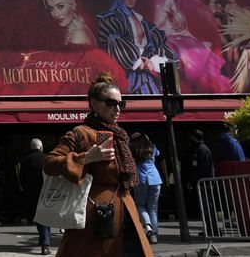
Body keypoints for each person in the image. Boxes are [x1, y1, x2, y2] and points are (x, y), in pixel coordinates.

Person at [44, 72, 152, 257]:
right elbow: (50, 163)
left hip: (126, 211)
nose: (117, 108)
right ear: (94, 103)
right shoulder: (80, 133)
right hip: (96, 216)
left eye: (121, 104)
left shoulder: (120, 135)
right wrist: (86, 158)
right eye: (111, 103)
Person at [96, 0, 174, 95]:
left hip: (146, 77)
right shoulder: (111, 19)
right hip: (123, 77)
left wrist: (152, 62)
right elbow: (113, 44)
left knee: (153, 108)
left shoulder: (143, 22)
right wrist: (138, 63)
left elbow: (158, 45)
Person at [19, 138, 52, 255]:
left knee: (38, 218)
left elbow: (21, 178)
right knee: (45, 218)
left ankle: (43, 240)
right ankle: (45, 244)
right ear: (41, 147)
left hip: (31, 194)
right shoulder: (47, 158)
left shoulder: (25, 160)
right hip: (46, 192)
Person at [129, 132, 162, 244]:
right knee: (153, 208)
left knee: (140, 205)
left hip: (141, 179)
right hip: (155, 178)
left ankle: (148, 227)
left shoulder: (133, 148)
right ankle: (154, 235)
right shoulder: (152, 147)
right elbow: (158, 154)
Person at [187, 129, 217, 236]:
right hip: (205, 182)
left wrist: (193, 181)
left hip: (205, 182)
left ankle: (213, 229)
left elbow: (201, 168)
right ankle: (210, 229)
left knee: (207, 206)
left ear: (195, 137)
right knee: (206, 206)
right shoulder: (201, 149)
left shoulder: (201, 150)